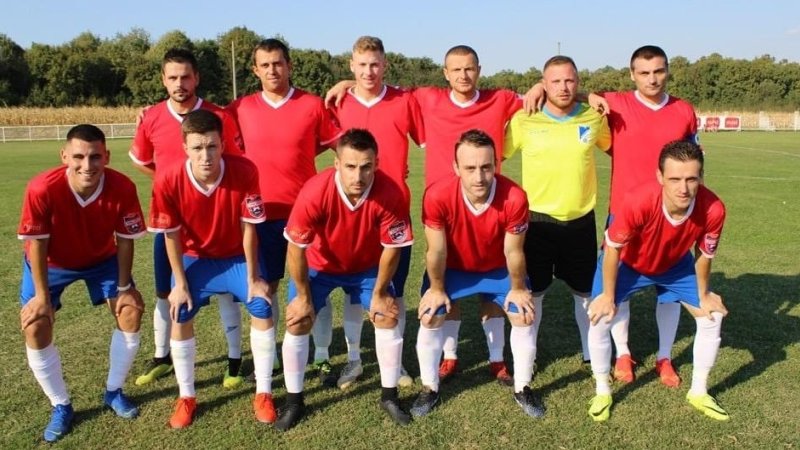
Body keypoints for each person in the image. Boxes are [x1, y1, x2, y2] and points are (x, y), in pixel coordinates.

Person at [326, 44, 525, 385]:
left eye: (470, 68)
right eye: (456, 69)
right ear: (445, 73)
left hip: (489, 203)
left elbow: (548, 95)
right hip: (443, 209)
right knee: (447, 281)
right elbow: (378, 86)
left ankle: (496, 359)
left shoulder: (501, 98)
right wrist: (350, 82)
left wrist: (553, 90)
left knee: (491, 282)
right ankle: (450, 356)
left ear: (479, 69)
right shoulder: (426, 98)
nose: (463, 75)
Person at [527, 45, 699, 387]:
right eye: (644, 72)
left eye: (659, 71)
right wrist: (538, 87)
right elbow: (570, 90)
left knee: (669, 290)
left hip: (672, 216)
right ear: (632, 74)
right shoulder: (615, 104)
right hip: (624, 214)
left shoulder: (683, 110)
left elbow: (694, 160)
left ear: (668, 71)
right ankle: (622, 352)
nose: (652, 79)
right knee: (618, 288)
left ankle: (665, 356)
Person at [276, 128, 414, 431]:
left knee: (387, 316)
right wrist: (303, 297)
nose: (358, 176)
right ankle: (294, 401)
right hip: (320, 267)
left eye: (366, 167)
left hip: (365, 269)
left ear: (376, 164)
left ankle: (389, 397)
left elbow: (392, 248)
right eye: (350, 166)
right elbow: (295, 249)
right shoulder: (315, 191)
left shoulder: (391, 192)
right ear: (336, 163)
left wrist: (380, 293)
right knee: (298, 320)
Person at [18, 124, 147, 442]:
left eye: (95, 157)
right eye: (78, 157)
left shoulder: (122, 186)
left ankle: (114, 391)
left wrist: (123, 288)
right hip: (51, 263)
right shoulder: (42, 188)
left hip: (101, 260)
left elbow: (125, 240)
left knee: (130, 311)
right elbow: (38, 244)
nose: (87, 165)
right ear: (64, 156)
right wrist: (42, 296)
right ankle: (60, 405)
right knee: (35, 324)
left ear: (107, 156)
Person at [147, 110, 276, 428]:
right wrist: (179, 283)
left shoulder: (244, 170)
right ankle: (186, 396)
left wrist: (253, 278)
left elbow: (249, 227)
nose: (205, 156)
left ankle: (263, 392)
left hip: (236, 257)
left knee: (261, 304)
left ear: (223, 145)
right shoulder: (168, 179)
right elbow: (171, 235)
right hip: (196, 257)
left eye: (212, 147)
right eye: (197, 148)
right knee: (179, 310)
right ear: (185, 148)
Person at [586, 140, 728, 422]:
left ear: (701, 176)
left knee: (712, 316)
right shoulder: (638, 200)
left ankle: (699, 392)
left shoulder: (713, 209)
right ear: (660, 176)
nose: (683, 188)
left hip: (675, 266)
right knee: (599, 316)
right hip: (629, 264)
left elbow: (704, 253)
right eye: (674, 179)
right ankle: (602, 391)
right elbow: (613, 248)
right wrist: (608, 296)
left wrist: (704, 293)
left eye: (691, 179)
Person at [227, 38, 342, 385]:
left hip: (306, 213)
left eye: (278, 63)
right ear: (255, 70)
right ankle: (272, 358)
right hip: (260, 215)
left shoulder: (312, 105)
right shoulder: (239, 109)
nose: (272, 70)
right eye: (265, 65)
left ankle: (322, 357)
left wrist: (349, 83)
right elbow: (195, 118)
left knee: (312, 284)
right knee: (267, 286)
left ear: (289, 65)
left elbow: (339, 146)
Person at [129, 48, 247, 388]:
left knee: (226, 292)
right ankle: (161, 357)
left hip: (217, 218)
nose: (179, 83)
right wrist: (173, 185)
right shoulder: (151, 117)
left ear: (196, 78)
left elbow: (234, 161)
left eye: (185, 77)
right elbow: (141, 159)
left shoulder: (218, 115)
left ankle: (235, 359)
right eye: (172, 77)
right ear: (163, 80)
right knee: (165, 291)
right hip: (170, 223)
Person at [411, 129, 542, 419]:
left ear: (496, 164)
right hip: (454, 268)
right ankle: (430, 387)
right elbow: (436, 251)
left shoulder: (514, 197)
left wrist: (518, 288)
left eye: (486, 167)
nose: (479, 177)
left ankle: (521, 387)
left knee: (523, 314)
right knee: (431, 314)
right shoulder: (437, 195)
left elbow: (514, 251)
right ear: (456, 167)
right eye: (470, 168)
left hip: (497, 268)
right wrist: (436, 288)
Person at [318, 35, 424, 389]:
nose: (368, 71)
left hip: (393, 212)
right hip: (351, 214)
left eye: (375, 64)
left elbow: (431, 136)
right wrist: (343, 86)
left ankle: (396, 362)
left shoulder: (405, 101)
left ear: (385, 65)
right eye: (362, 65)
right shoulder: (337, 103)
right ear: (351, 65)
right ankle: (354, 360)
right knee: (354, 291)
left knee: (394, 290)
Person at [503, 55, 611, 379]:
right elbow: (497, 155)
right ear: (543, 84)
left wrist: (589, 97)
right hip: (537, 222)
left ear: (578, 82)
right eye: (555, 81)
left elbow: (617, 148)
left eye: (569, 80)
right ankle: (529, 356)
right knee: (534, 294)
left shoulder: (593, 117)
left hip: (580, 221)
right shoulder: (524, 118)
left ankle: (591, 354)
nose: (563, 87)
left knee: (585, 293)